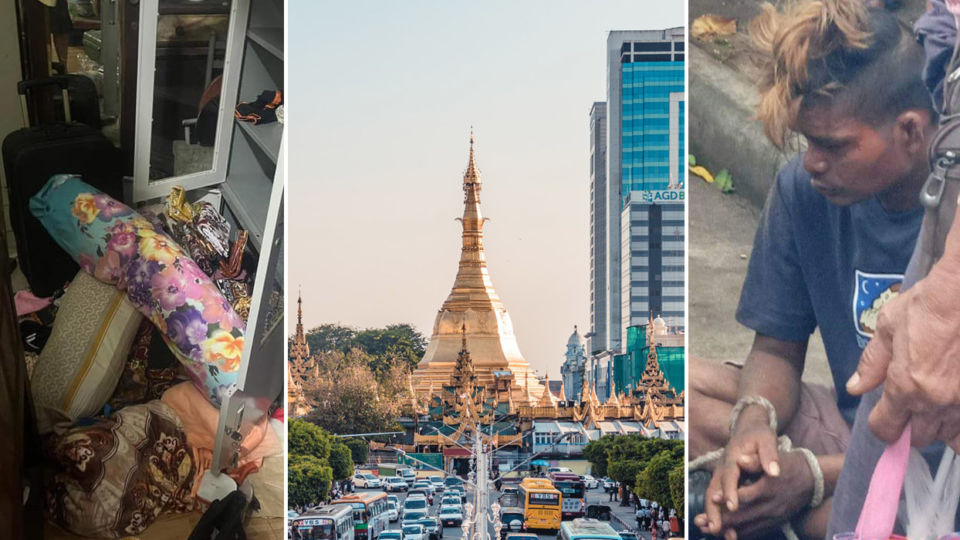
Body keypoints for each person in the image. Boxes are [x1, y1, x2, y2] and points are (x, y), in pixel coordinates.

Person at [689, 1, 937, 538]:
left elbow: (939, 442)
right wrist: (753, 422)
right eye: (806, 142)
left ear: (911, 132)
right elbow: (777, 349)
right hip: (853, 431)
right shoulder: (803, 192)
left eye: (833, 145)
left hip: (937, 470)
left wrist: (814, 478)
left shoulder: (951, 221)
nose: (811, 162)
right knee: (667, 395)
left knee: (828, 514)